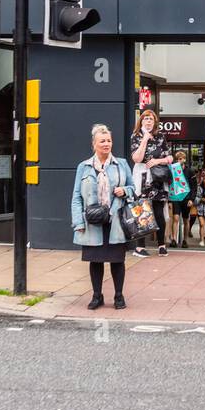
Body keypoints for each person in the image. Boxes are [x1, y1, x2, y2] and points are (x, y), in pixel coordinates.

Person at [72, 124, 134, 310]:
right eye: (102, 141)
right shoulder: (83, 167)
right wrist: (78, 222)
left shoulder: (121, 164)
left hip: (116, 220)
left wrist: (125, 190)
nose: (106, 144)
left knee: (117, 260)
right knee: (95, 260)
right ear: (94, 144)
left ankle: (118, 296)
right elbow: (76, 197)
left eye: (108, 140)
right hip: (93, 221)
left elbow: (133, 189)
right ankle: (97, 296)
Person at [130, 109, 173, 257]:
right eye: (146, 118)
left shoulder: (160, 137)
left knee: (159, 212)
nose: (148, 121)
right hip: (141, 177)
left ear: (155, 122)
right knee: (142, 210)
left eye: (151, 119)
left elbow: (169, 158)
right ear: (141, 121)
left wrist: (157, 161)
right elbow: (136, 158)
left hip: (158, 177)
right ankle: (140, 247)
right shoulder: (136, 136)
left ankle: (161, 245)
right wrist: (144, 140)